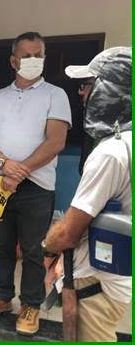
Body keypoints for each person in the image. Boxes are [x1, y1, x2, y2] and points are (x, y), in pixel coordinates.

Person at [0, 31, 71, 335]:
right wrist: (4, 165)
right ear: (13, 60)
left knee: (32, 250)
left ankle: (31, 304)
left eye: (37, 55)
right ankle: (2, 296)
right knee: (0, 245)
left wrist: (21, 170)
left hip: (37, 187)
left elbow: (56, 141)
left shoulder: (55, 94)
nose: (32, 60)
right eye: (26, 55)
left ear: (44, 58)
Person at [43, 47, 131, 342]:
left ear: (112, 91)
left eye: (88, 85)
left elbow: (68, 232)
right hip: (118, 279)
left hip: (96, 282)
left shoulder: (111, 153)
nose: (82, 93)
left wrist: (47, 248)